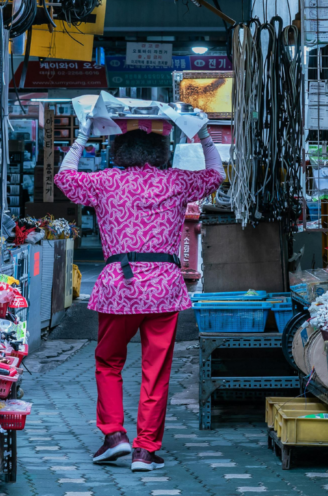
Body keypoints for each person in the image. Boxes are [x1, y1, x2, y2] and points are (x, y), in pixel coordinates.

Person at [53, 115, 225, 472]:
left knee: (108, 361)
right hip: (164, 286)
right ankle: (145, 450)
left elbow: (64, 178)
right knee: (156, 370)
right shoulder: (176, 181)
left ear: (118, 152)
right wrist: (205, 135)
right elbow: (215, 175)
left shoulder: (104, 182)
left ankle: (114, 436)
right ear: (161, 153)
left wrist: (82, 135)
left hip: (120, 285)